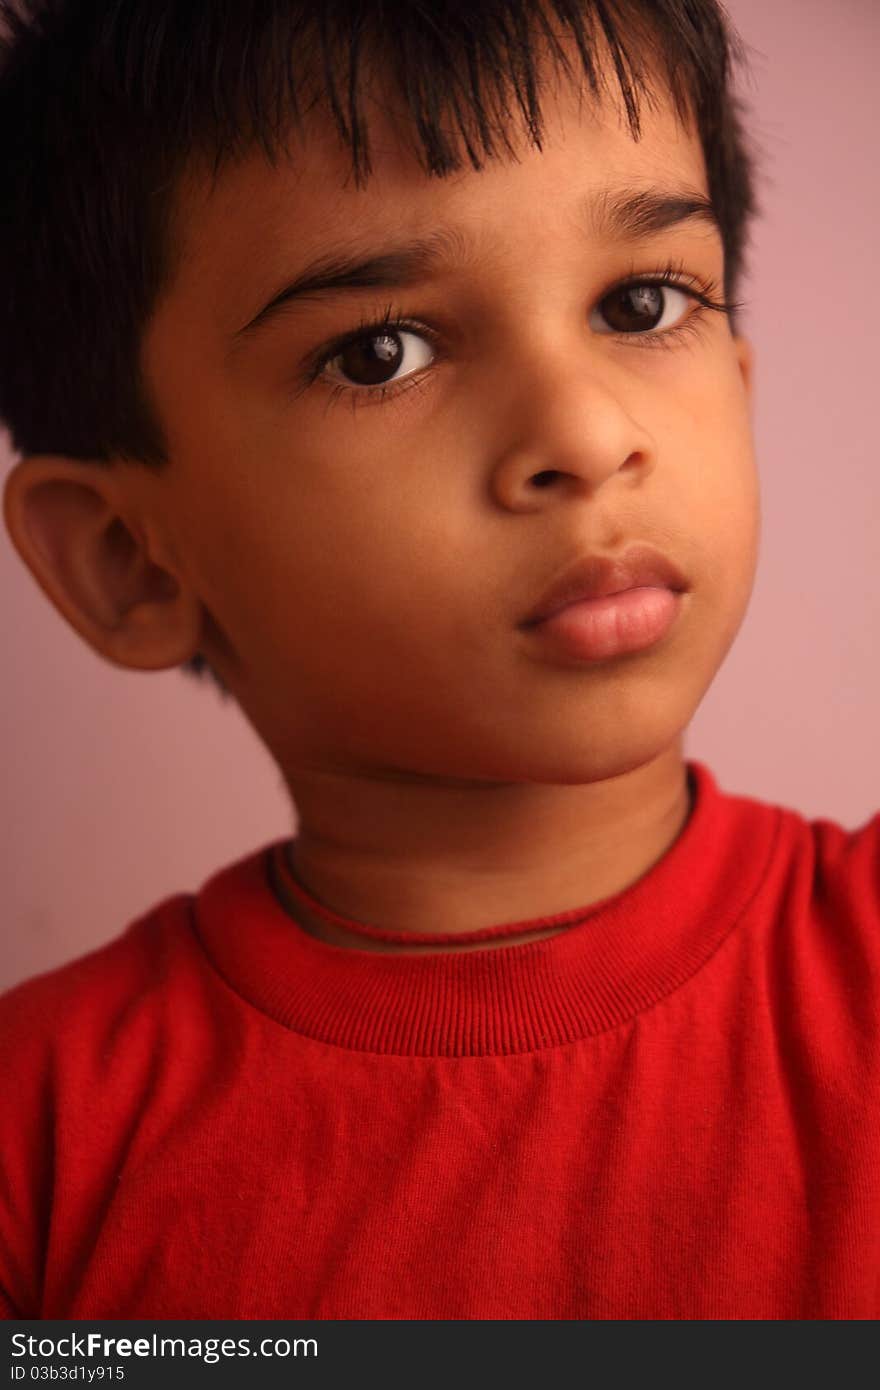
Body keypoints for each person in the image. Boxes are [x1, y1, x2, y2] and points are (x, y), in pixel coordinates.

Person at [1, 0, 877, 1321]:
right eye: (380, 350)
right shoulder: (41, 1140)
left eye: (641, 303)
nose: (586, 433)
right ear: (129, 556)